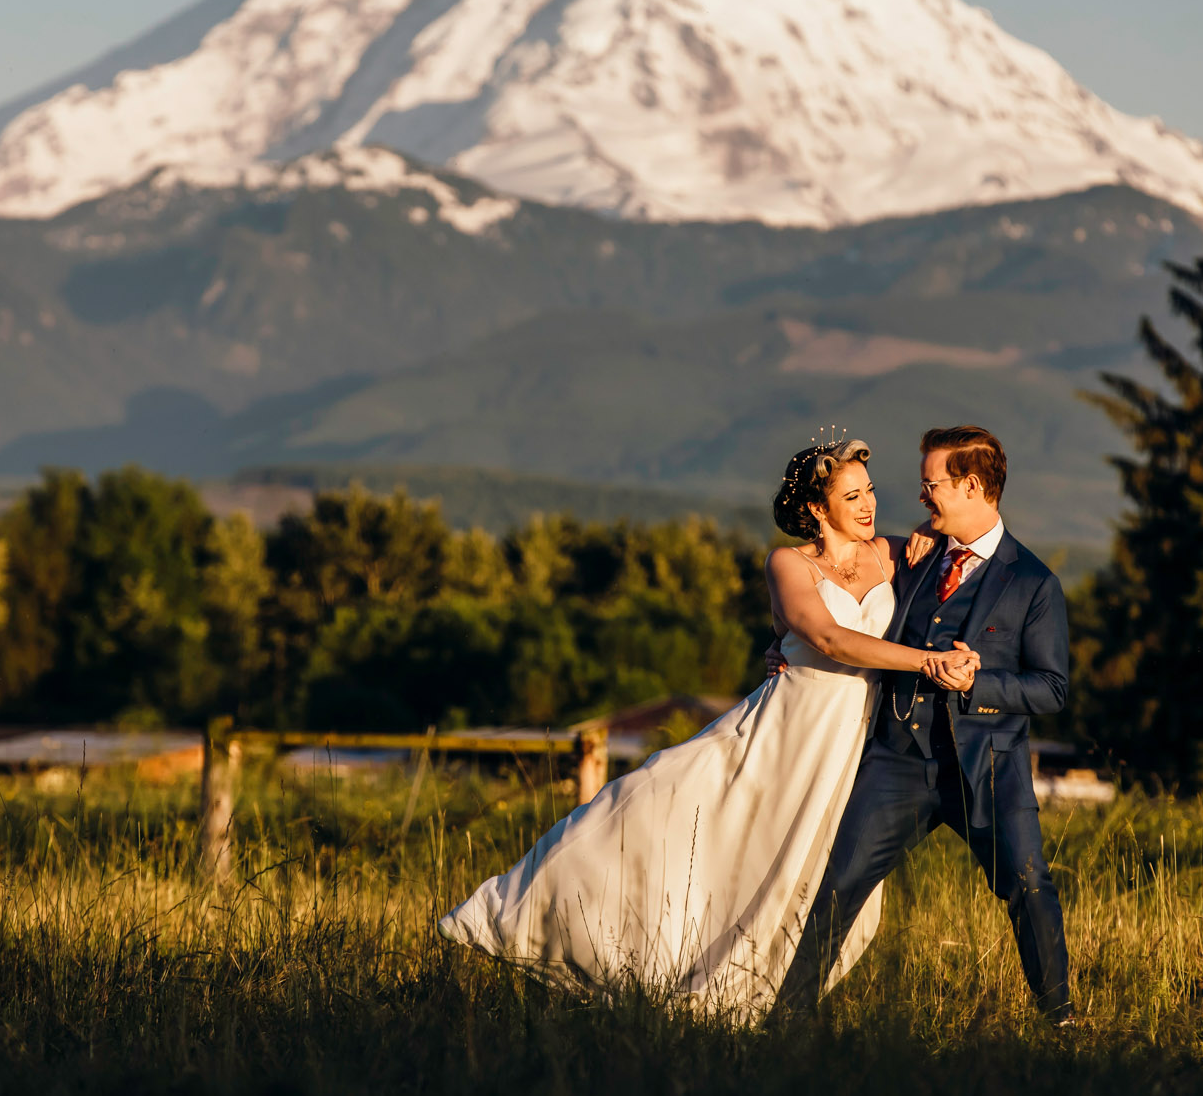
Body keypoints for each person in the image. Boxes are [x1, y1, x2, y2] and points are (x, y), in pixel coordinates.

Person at [438, 435, 961, 1015]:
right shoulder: (788, 563)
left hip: (849, 743)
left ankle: (760, 997)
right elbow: (829, 637)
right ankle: (518, 915)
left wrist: (933, 533)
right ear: (817, 507)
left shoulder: (889, 553)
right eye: (852, 495)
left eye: (869, 492)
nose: (869, 505)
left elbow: (966, 536)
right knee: (680, 822)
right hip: (784, 732)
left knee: (817, 872)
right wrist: (926, 662)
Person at [769, 425, 1074, 1023]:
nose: (922, 497)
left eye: (931, 484)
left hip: (987, 765)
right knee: (836, 889)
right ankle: (784, 1020)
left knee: (1030, 886)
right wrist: (780, 645)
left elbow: (1052, 689)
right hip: (899, 759)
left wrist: (977, 685)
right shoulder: (911, 555)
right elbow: (828, 593)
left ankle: (1060, 1019)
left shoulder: (1035, 583)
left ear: (971, 485)